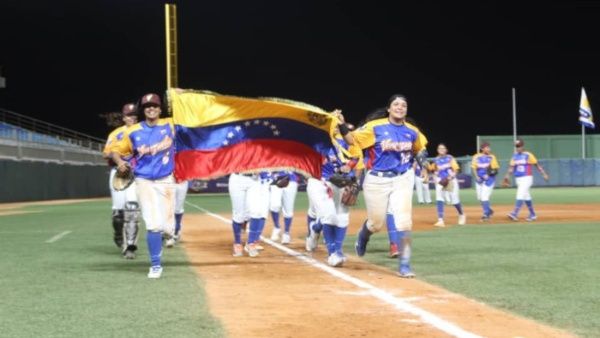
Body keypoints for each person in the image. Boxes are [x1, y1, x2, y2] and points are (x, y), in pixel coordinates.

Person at [339, 94, 428, 278]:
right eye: (396, 104)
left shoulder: (412, 131)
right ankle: (364, 235)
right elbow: (351, 140)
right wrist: (341, 124)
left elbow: (420, 149)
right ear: (389, 108)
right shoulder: (375, 127)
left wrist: (424, 167)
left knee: (404, 221)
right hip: (377, 180)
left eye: (403, 105)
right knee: (376, 223)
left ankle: (405, 265)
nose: (400, 107)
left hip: (403, 178)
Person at [111, 93, 176, 279]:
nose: (151, 108)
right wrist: (120, 162)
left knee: (167, 228)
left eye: (154, 105)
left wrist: (179, 96)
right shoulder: (133, 131)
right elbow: (115, 151)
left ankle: (167, 234)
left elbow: (191, 118)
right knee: (153, 224)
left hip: (165, 180)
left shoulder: (170, 124)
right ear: (143, 110)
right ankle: (155, 264)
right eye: (147, 106)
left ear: (160, 108)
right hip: (144, 181)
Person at [305, 126, 358, 267]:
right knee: (329, 216)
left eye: (336, 124)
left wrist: (350, 166)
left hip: (340, 182)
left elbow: (356, 155)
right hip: (319, 182)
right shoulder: (315, 141)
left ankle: (317, 229)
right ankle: (332, 254)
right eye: (331, 123)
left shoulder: (344, 143)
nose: (334, 127)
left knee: (342, 217)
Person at [102, 103, 140, 259]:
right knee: (119, 212)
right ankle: (119, 234)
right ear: (124, 117)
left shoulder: (142, 131)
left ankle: (130, 246)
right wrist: (119, 157)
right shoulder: (116, 133)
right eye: (129, 115)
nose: (132, 117)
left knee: (132, 206)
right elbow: (106, 154)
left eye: (134, 115)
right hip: (119, 173)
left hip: (137, 173)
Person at [503, 139, 549, 221]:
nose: (518, 148)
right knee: (526, 196)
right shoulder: (514, 156)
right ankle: (533, 214)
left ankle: (515, 213)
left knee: (520, 194)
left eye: (519, 146)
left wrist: (543, 173)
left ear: (523, 146)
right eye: (516, 146)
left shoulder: (528, 155)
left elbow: (536, 165)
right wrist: (507, 177)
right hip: (518, 179)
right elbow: (511, 168)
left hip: (527, 178)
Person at [228, 172, 271, 257]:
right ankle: (237, 243)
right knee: (238, 215)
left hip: (254, 179)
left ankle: (251, 243)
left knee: (257, 212)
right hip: (238, 178)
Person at [430, 143, 466, 227]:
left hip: (451, 181)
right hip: (441, 181)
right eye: (439, 148)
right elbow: (432, 170)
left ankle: (461, 214)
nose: (441, 150)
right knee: (439, 198)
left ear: (446, 150)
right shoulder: (436, 160)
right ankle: (440, 220)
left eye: (443, 148)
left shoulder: (450, 158)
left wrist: (449, 178)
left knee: (454, 200)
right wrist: (434, 177)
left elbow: (456, 170)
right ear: (437, 150)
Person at [471, 142, 500, 221]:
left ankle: (486, 214)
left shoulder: (492, 157)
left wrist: (489, 174)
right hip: (479, 179)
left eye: (489, 147)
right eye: (486, 147)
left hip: (489, 180)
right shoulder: (476, 157)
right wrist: (477, 177)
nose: (488, 149)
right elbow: (474, 168)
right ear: (482, 149)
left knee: (484, 196)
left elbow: (496, 170)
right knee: (480, 198)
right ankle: (489, 210)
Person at [269, 171, 299, 245]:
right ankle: (277, 227)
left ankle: (286, 233)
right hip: (276, 178)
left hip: (291, 180)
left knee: (288, 209)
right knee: (274, 206)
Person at [165, 180, 188, 247]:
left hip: (182, 182)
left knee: (178, 209)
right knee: (168, 207)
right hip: (169, 181)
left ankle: (176, 232)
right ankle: (169, 235)